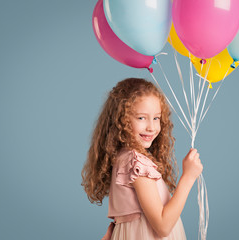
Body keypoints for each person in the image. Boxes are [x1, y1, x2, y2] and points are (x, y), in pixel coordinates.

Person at [81, 78, 203, 239]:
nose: (151, 127)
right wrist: (188, 177)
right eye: (141, 118)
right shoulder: (136, 163)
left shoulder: (123, 157)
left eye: (156, 118)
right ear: (120, 121)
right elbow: (163, 226)